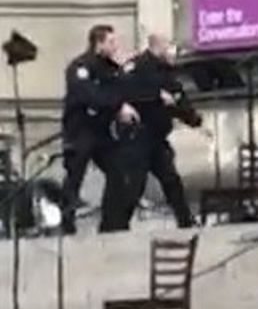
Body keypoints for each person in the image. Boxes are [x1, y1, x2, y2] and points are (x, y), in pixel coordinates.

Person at [102, 34, 200, 231]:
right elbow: (124, 91)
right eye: (169, 46)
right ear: (158, 47)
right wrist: (156, 96)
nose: (173, 51)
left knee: (171, 180)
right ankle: (115, 226)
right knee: (134, 185)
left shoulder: (167, 72)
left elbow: (177, 98)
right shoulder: (137, 67)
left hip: (156, 138)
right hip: (137, 137)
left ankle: (185, 221)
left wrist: (192, 118)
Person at [60, 24, 137, 235]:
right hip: (80, 129)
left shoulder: (111, 68)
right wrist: (117, 105)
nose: (115, 46)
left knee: (118, 172)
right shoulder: (80, 67)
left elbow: (122, 91)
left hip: (102, 131)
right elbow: (91, 96)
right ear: (98, 43)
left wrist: (124, 72)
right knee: (75, 176)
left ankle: (111, 223)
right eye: (111, 42)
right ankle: (66, 224)